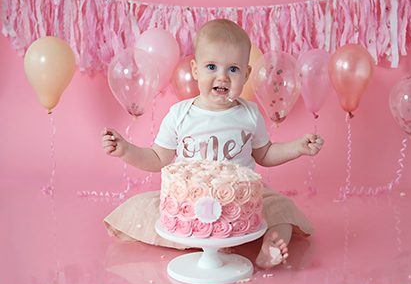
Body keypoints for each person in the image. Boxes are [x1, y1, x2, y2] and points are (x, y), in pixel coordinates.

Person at [101, 18, 323, 269]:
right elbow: (157, 158)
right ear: (195, 70)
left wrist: (297, 148)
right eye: (211, 67)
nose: (222, 77)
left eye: (233, 69)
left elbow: (266, 153)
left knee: (280, 208)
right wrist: (126, 150)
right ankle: (201, 238)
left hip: (241, 200)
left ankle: (270, 247)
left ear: (246, 75)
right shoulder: (180, 114)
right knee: (148, 208)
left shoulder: (249, 114)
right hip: (192, 201)